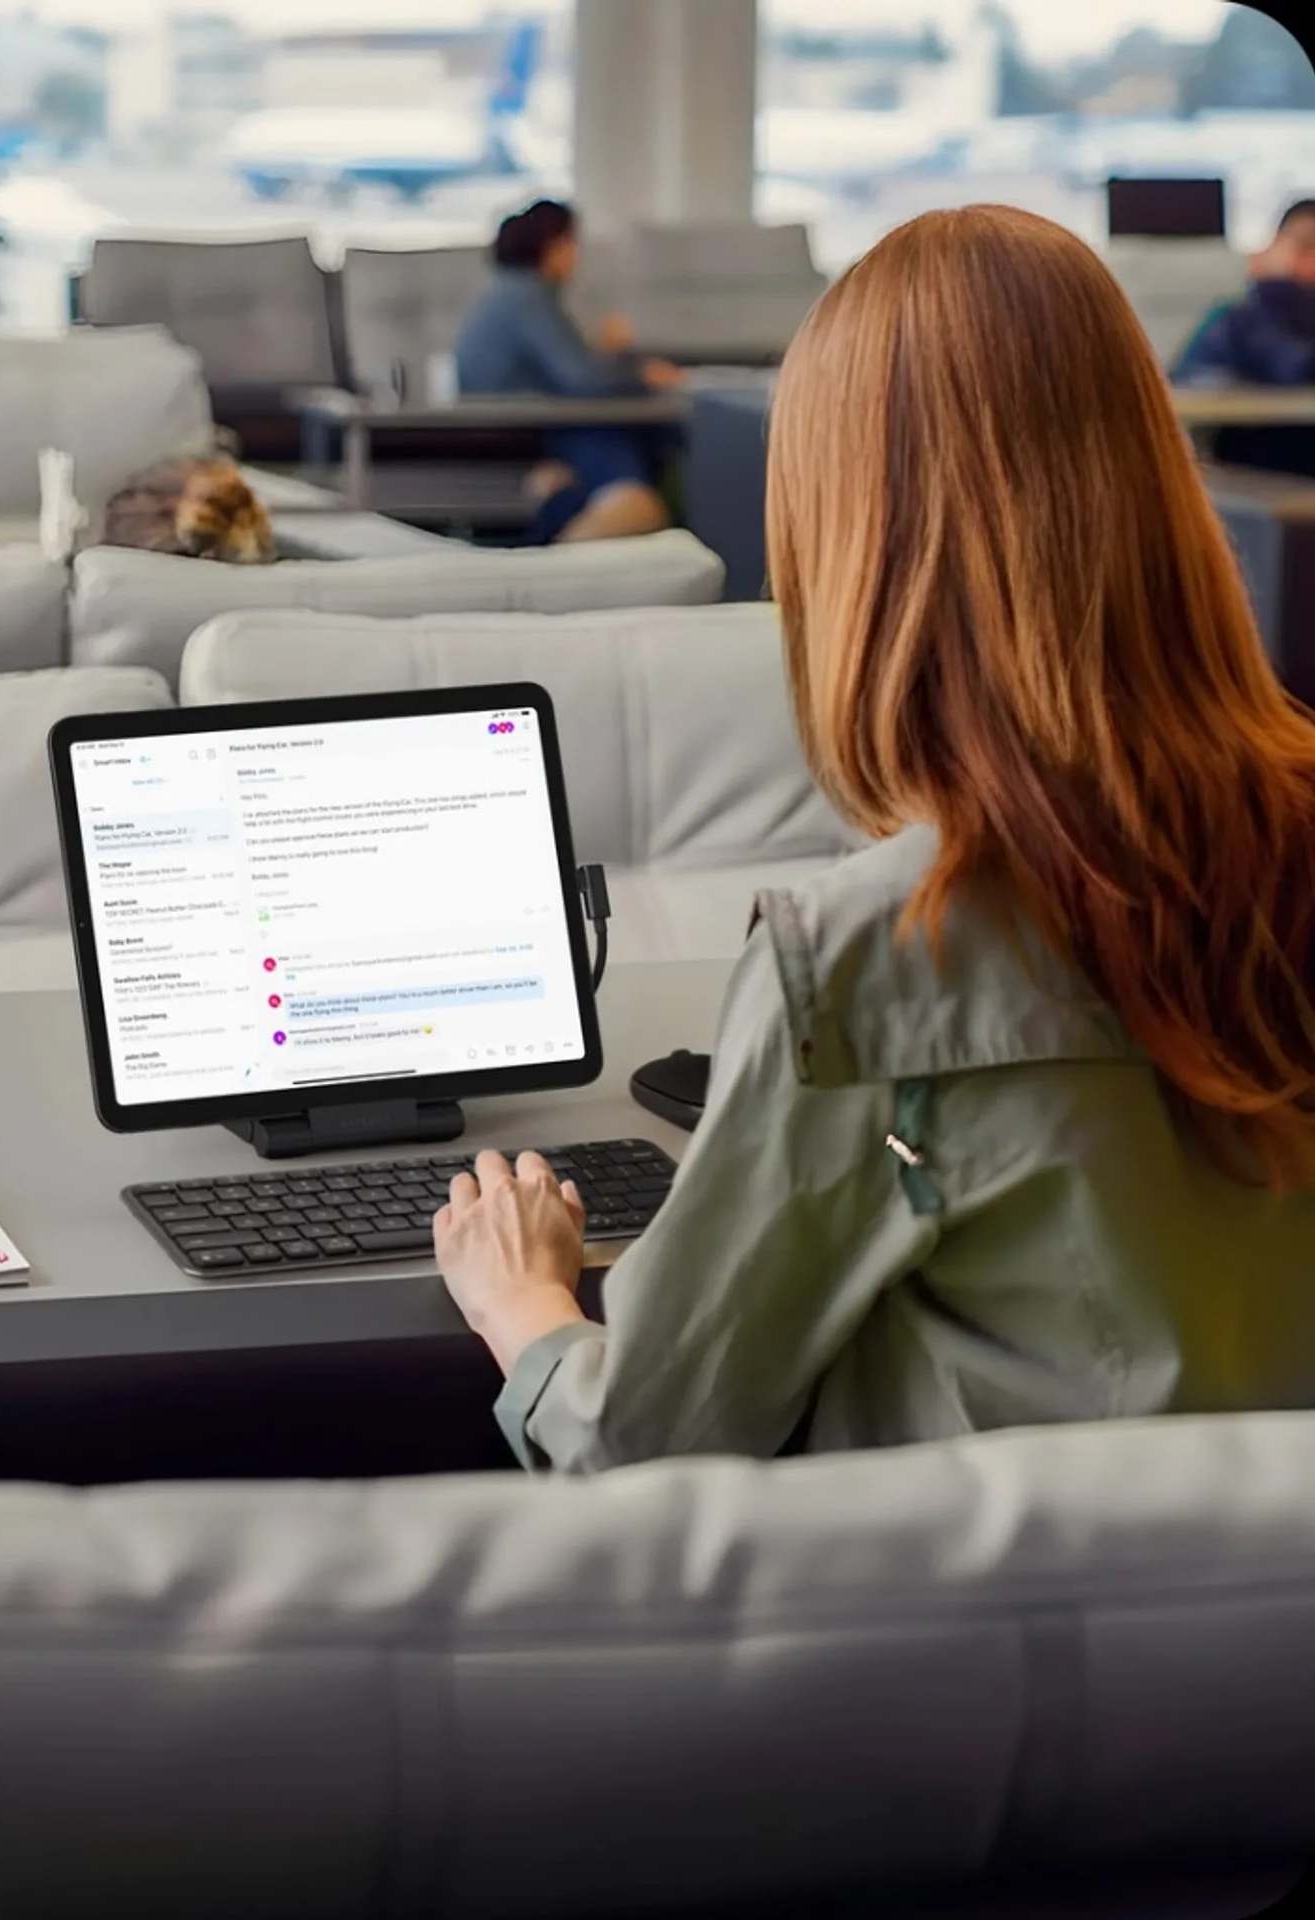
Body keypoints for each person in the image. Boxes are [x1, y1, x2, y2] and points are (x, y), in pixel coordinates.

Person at [435, 204, 1315, 1473]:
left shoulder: (875, 949)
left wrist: (522, 1302)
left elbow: (645, 1447)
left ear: (849, 544)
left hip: (992, 1643)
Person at [454, 198, 685, 544]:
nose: (577, 256)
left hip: (533, 420)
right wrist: (638, 372)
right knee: (637, 467)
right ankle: (591, 534)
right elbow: (583, 378)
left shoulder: (512, 294)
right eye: (572, 244)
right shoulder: (527, 297)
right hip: (533, 424)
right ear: (554, 245)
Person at [1172, 198, 1315, 477]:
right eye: (1304, 247)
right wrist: (1276, 284)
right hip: (1251, 465)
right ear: (1276, 249)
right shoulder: (1248, 314)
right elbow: (1295, 364)